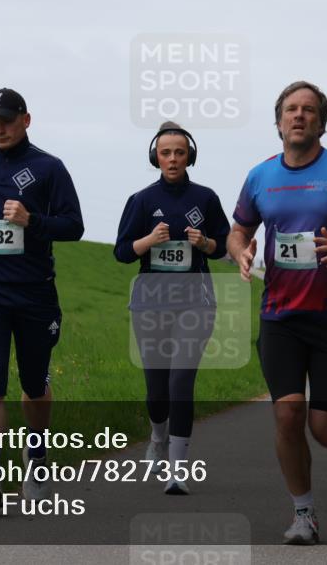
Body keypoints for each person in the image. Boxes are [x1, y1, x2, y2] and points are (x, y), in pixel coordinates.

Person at [228, 80, 327, 545]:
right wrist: (240, 251)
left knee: (324, 426)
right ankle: (304, 514)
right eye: (291, 109)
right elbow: (238, 230)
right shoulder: (260, 176)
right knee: (287, 415)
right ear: (278, 121)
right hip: (279, 317)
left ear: (321, 122)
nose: (299, 116)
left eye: (308, 110)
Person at [0, 87, 84, 506]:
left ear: (26, 120)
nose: (0, 128)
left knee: (33, 382)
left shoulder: (49, 167)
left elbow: (74, 225)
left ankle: (37, 454)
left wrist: (32, 220)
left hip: (34, 292)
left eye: (7, 121)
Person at [114, 121, 229, 495]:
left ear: (190, 156)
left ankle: (178, 470)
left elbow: (225, 246)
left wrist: (206, 243)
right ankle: (157, 437)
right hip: (150, 304)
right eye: (166, 153)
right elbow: (121, 252)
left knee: (181, 381)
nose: (173, 159)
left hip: (196, 302)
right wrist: (149, 240)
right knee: (156, 389)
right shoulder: (141, 200)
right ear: (156, 157)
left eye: (180, 152)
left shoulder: (206, 198)